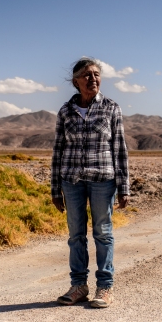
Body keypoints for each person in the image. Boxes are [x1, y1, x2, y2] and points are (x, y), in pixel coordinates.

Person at [51, 57, 130, 308]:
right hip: (71, 180)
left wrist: (124, 187)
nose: (92, 79)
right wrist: (55, 188)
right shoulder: (65, 111)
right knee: (76, 235)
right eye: (86, 75)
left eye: (96, 74)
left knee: (103, 234)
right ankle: (79, 286)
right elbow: (58, 150)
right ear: (76, 82)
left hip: (102, 180)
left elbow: (120, 149)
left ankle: (105, 287)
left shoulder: (111, 108)